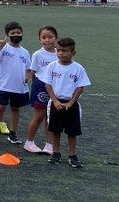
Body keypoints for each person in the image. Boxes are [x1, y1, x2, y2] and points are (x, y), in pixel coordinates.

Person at [38, 37, 90, 168]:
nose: (61, 53)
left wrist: (71, 103)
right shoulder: (52, 66)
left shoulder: (78, 68)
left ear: (73, 52)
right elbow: (47, 85)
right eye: (58, 50)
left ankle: (72, 155)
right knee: (55, 130)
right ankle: (56, 153)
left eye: (65, 51)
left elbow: (80, 88)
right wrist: (55, 101)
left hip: (71, 104)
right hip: (56, 103)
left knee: (72, 131)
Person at [0, 22, 30, 145]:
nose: (16, 35)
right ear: (7, 35)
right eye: (13, 33)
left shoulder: (25, 52)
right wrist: (0, 47)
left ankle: (13, 134)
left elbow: (28, 68)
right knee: (0, 108)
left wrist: (27, 76)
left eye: (18, 33)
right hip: (4, 85)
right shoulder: (3, 48)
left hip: (19, 87)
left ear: (22, 34)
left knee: (15, 109)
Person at [24, 26, 59, 154]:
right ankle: (29, 142)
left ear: (56, 38)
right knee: (39, 116)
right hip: (41, 86)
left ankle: (49, 145)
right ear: (39, 39)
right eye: (43, 37)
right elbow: (32, 71)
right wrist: (29, 81)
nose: (47, 40)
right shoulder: (38, 54)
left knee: (50, 118)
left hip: (55, 88)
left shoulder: (58, 53)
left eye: (50, 37)